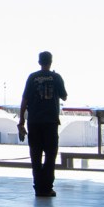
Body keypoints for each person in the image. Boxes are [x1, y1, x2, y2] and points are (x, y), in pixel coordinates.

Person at [16, 52, 67, 198]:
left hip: (34, 123)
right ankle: (47, 187)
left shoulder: (32, 77)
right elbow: (64, 96)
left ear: (39, 62)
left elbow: (24, 100)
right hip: (50, 123)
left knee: (36, 156)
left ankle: (39, 188)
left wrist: (21, 121)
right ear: (51, 62)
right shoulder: (56, 77)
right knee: (50, 156)